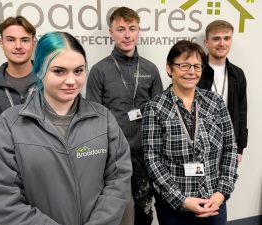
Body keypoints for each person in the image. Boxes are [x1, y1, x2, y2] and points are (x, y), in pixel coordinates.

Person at [0, 31, 132, 225]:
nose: (71, 81)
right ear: (39, 71)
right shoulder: (9, 127)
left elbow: (118, 183)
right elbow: (5, 202)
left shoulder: (103, 119)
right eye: (59, 71)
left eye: (78, 70)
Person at [142, 40, 238, 225]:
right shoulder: (155, 108)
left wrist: (221, 193)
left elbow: (230, 149)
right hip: (175, 208)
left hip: (213, 203)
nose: (191, 72)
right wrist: (182, 200)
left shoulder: (215, 103)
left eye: (197, 66)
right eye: (184, 65)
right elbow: (153, 160)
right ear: (169, 68)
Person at [86, 6, 163, 225]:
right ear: (111, 33)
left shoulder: (151, 69)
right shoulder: (99, 71)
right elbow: (93, 118)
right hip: (113, 156)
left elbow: (159, 115)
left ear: (139, 31)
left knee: (144, 212)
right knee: (114, 212)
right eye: (120, 29)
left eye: (132, 28)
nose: (127, 35)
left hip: (144, 156)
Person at [0, 15, 36, 152]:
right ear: (1, 43)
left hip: (47, 165)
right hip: (8, 168)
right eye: (10, 40)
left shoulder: (48, 80)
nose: (18, 46)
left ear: (33, 43)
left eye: (25, 40)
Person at [198, 20, 248, 163]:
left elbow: (242, 112)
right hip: (201, 145)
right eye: (216, 39)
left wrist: (240, 148)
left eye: (226, 38)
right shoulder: (195, 71)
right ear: (206, 43)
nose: (222, 43)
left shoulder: (238, 74)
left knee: (225, 185)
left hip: (229, 146)